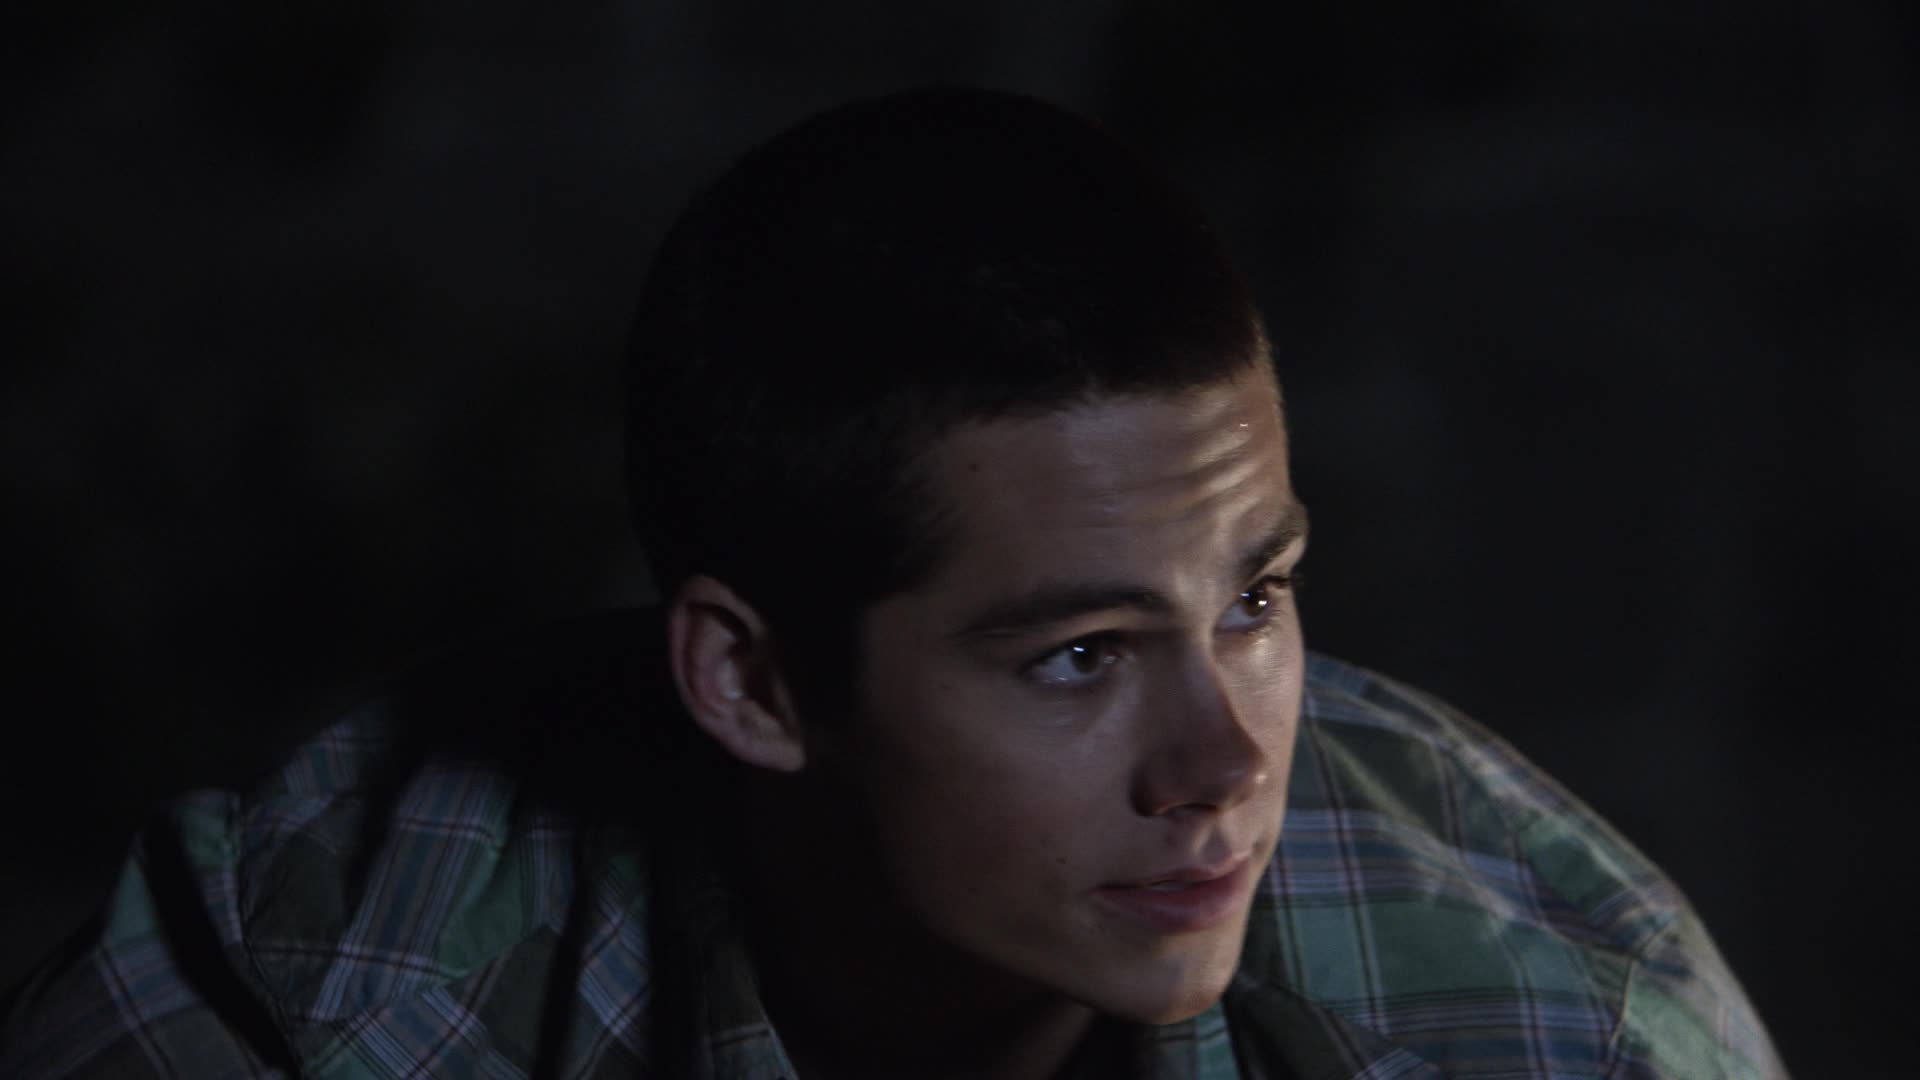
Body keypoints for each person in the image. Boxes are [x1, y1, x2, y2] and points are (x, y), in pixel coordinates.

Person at [0, 88, 1784, 1079]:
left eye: (1253, 602)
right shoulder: (317, 1010)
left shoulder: (1556, 1029)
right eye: (1080, 655)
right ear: (752, 682)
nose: (1226, 762)